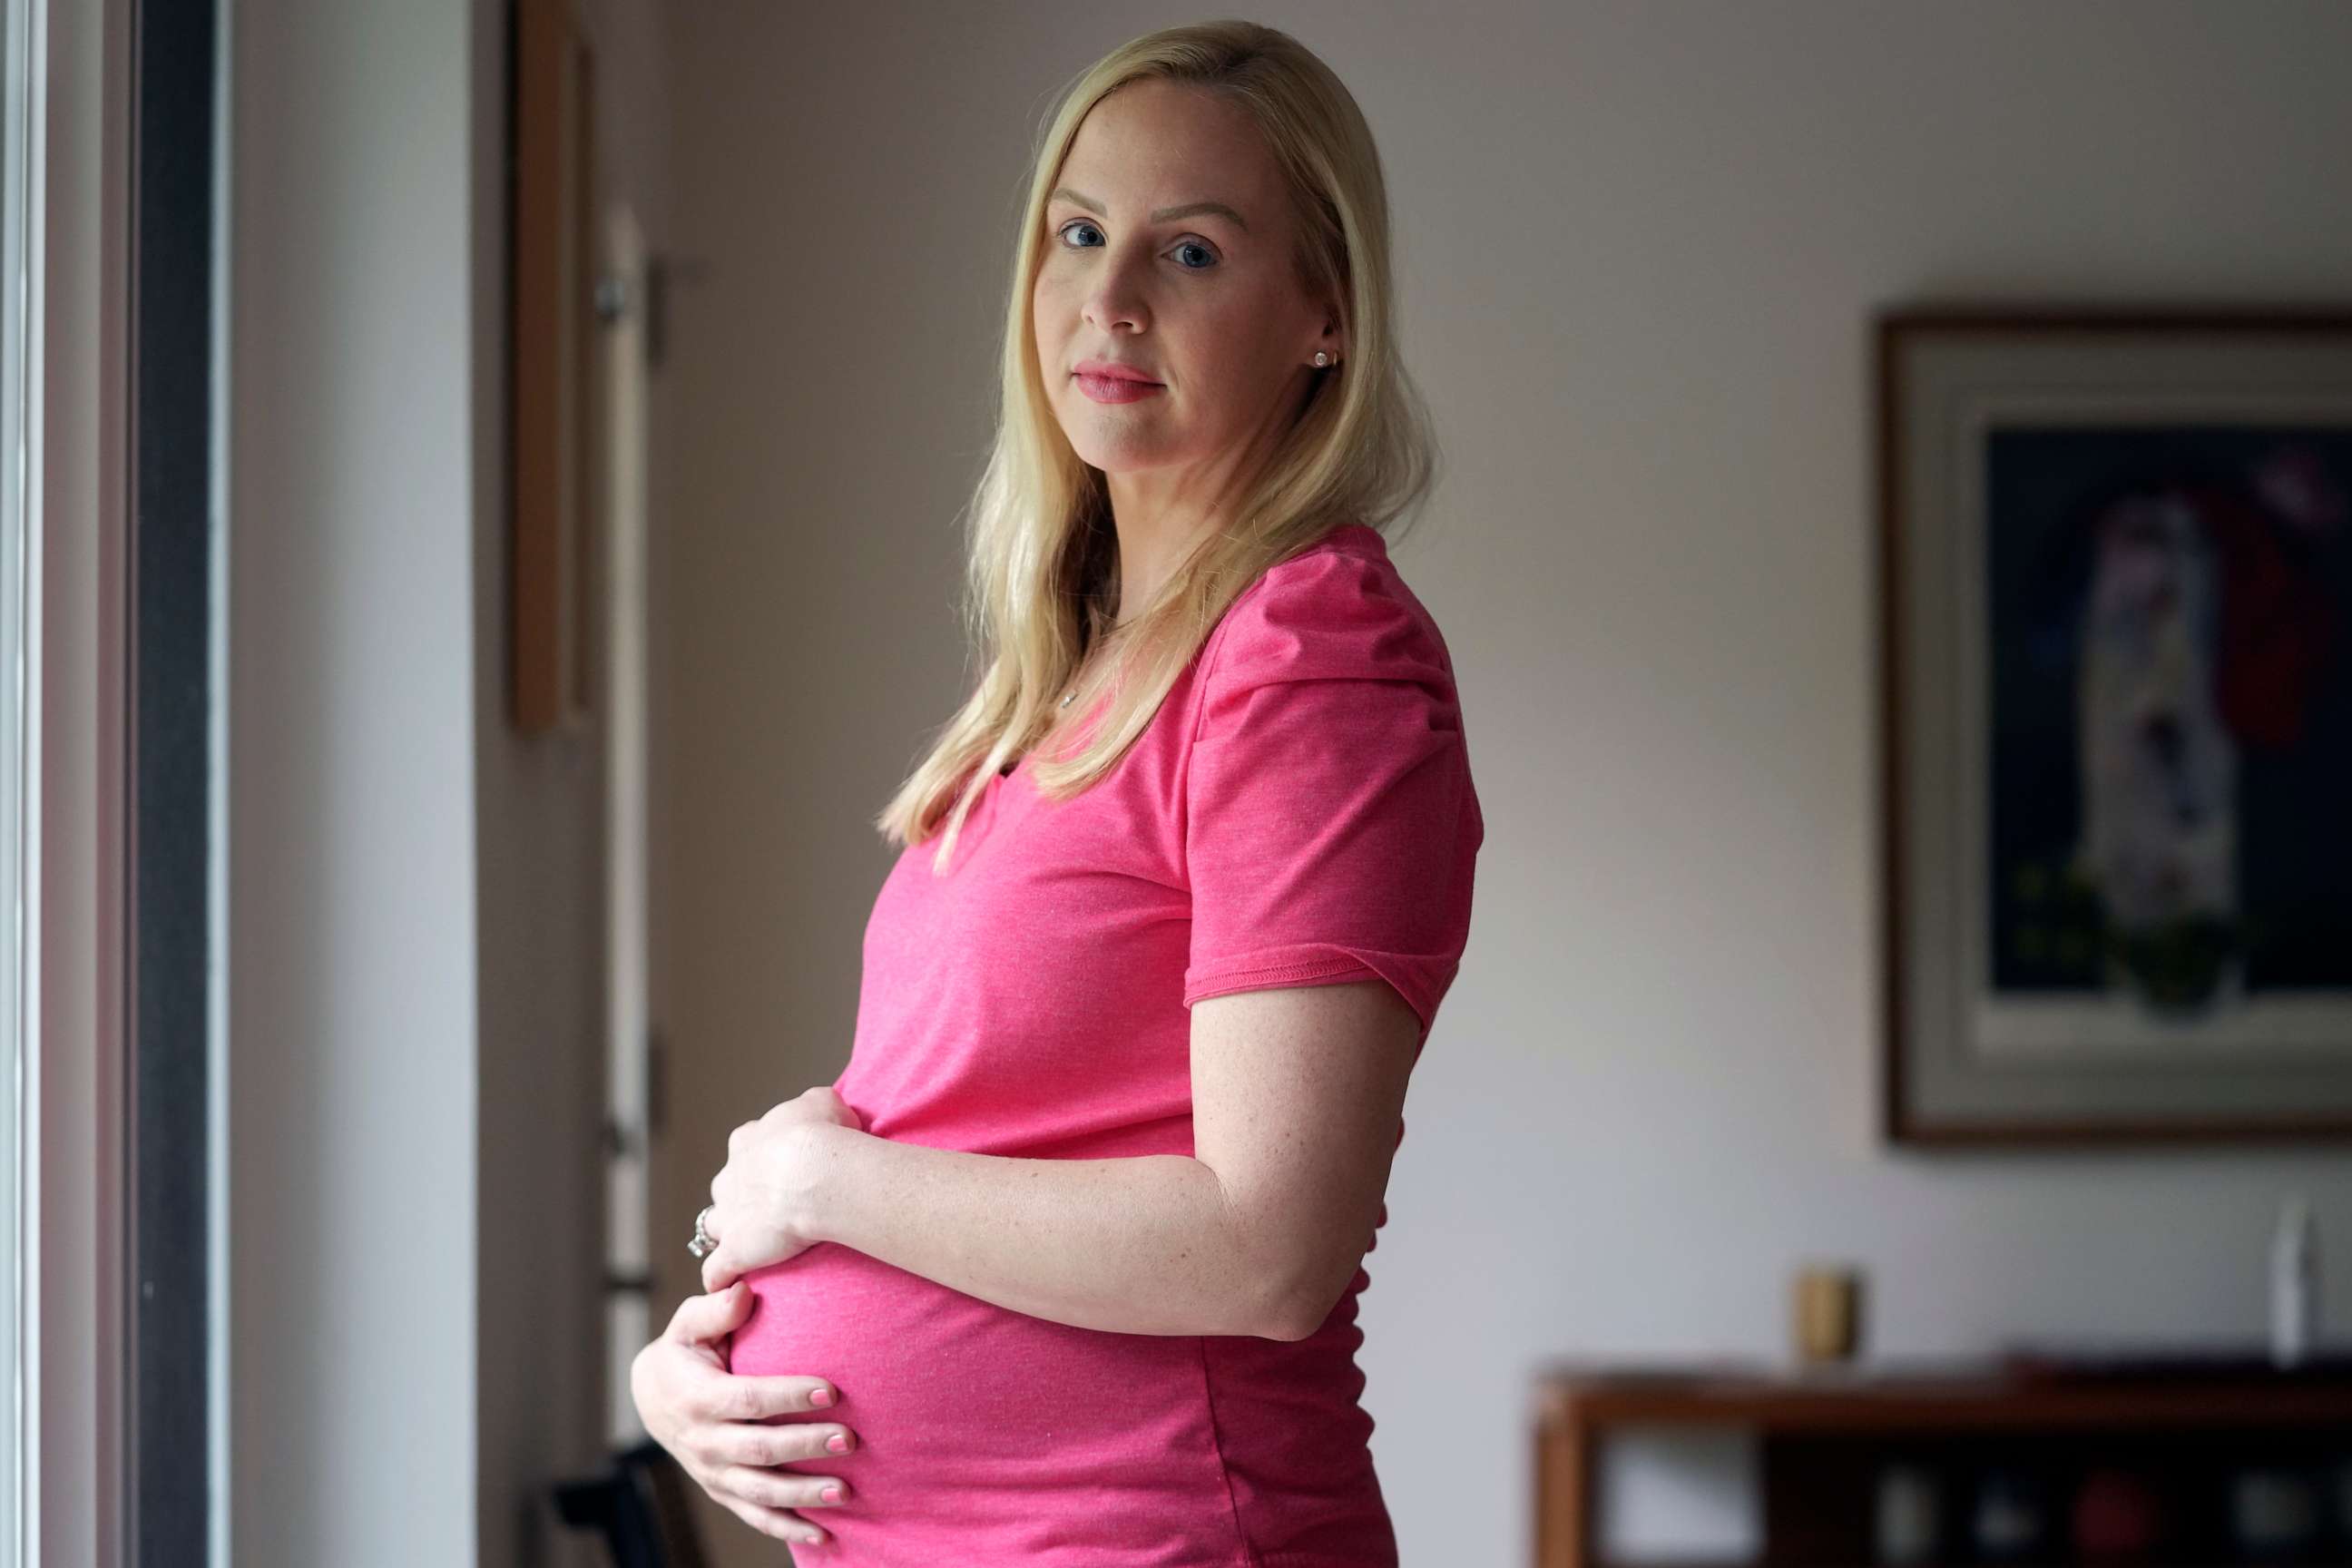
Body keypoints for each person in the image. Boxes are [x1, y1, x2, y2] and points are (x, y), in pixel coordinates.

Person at [630, 19, 1482, 1563]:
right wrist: (697, 1365)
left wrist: (823, 1186)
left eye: (1194, 252)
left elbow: (1263, 1243)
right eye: (1078, 234)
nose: (1111, 298)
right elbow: (975, 1127)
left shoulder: (1310, 659)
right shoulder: (1074, 668)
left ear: (1325, 316)